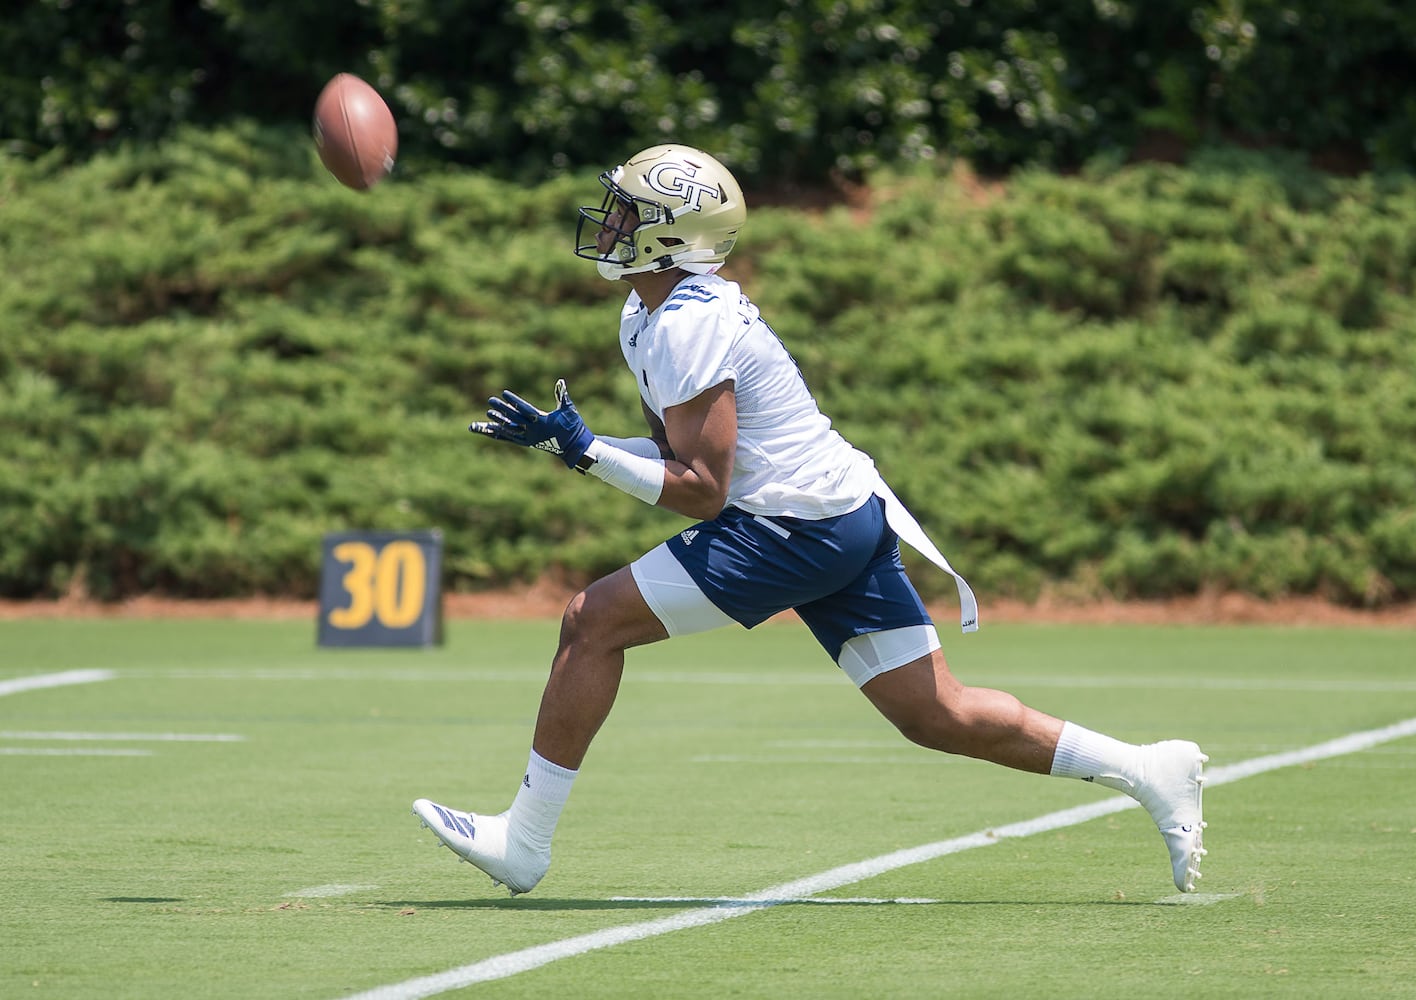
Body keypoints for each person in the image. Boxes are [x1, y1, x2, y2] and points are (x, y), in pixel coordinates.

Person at [413, 144, 1207, 896]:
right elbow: (676, 452)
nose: (609, 222)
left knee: (593, 621)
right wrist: (575, 443)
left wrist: (588, 454)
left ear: (670, 236)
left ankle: (525, 841)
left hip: (791, 526)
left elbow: (701, 491)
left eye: (627, 211)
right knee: (938, 715)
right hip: (834, 513)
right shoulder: (649, 310)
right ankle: (1146, 768)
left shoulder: (687, 321)